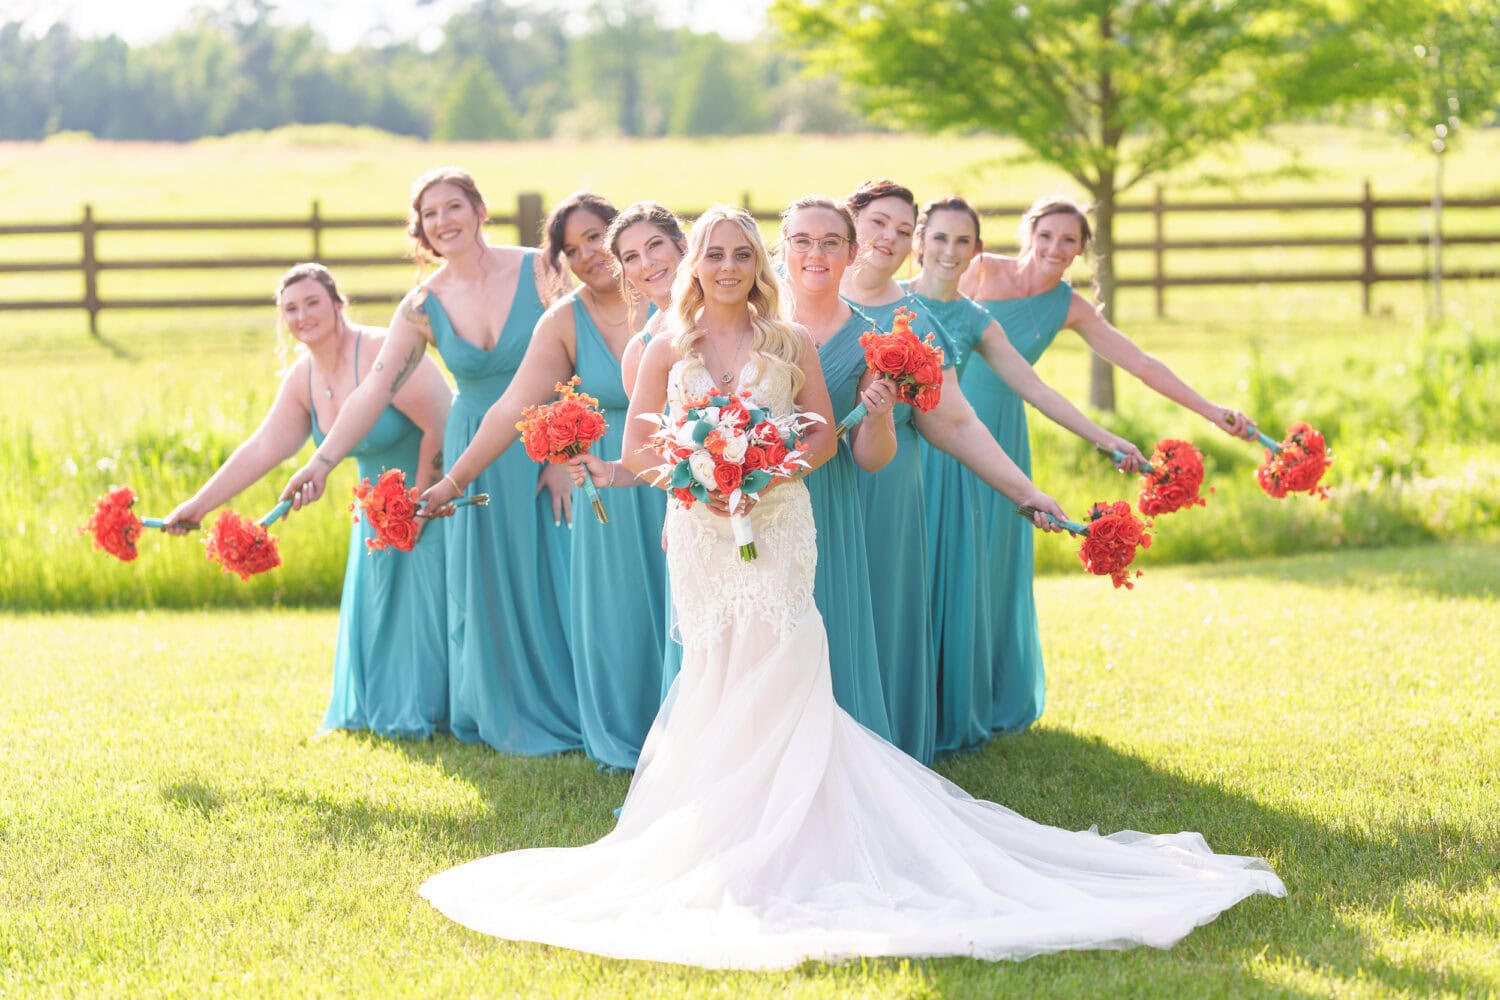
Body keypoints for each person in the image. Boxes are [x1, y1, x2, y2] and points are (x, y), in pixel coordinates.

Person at [416, 206, 1285, 969]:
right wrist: (619, 469)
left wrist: (757, 468)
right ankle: (719, 837)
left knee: (785, 666)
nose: (726, 268)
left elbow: (823, 442)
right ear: (695, 267)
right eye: (712, 255)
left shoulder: (785, 343)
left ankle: (799, 831)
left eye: (740, 255)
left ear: (760, 266)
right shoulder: (661, 348)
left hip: (784, 525)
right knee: (714, 672)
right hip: (700, 537)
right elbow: (643, 455)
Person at [281, 167, 581, 756]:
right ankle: (500, 705)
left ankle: (575, 700)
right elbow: (373, 390)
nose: (442, 221)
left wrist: (566, 452)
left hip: (547, 440)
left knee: (558, 571)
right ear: (420, 229)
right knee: (489, 583)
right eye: (429, 214)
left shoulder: (541, 270)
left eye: (453, 207)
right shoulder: (421, 305)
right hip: (473, 449)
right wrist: (322, 460)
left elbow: (579, 351)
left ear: (478, 209)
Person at [943, 195, 1255, 737]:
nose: (1054, 248)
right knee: (945, 552)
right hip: (949, 423)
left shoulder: (1068, 306)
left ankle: (980, 698)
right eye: (1047, 236)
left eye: (1069, 241)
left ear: (1084, 250)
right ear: (1028, 233)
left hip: (1006, 429)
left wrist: (1211, 410)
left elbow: (1139, 363)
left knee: (991, 564)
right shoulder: (978, 270)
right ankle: (935, 689)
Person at [421, 191, 670, 771]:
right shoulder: (563, 321)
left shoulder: (677, 301)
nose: (588, 255)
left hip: (681, 471)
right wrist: (453, 481)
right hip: (606, 481)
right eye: (571, 248)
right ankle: (633, 732)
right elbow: (511, 407)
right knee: (618, 613)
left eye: (597, 238)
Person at [840, 179, 1086, 762]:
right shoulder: (794, 290)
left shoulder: (918, 321)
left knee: (884, 616)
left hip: (887, 483)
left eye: (902, 229)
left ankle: (877, 753)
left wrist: (1026, 492)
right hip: (800, 489)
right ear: (853, 224)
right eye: (880, 223)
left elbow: (955, 423)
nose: (890, 238)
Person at [904, 194, 1148, 754]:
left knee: (963, 571)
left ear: (976, 249)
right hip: (892, 449)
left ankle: (954, 701)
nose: (949, 250)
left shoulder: (977, 320)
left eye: (962, 241)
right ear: (919, 242)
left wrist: (1105, 439)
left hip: (967, 447)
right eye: (939, 238)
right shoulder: (890, 300)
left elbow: (1036, 389)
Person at [166, 263, 450, 738]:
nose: (302, 315)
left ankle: (442, 709)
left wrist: (417, 509)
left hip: (433, 489)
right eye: (290, 308)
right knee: (381, 608)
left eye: (312, 302)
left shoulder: (383, 349)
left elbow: (441, 423)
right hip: (372, 510)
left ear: (339, 304)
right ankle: (382, 707)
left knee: (428, 605)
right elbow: (263, 448)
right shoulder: (304, 377)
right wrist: (199, 505)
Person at [776, 194, 895, 740]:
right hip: (759, 494)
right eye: (802, 241)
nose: (815, 253)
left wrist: (879, 417)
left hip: (829, 496)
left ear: (852, 252)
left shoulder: (875, 341)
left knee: (829, 625)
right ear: (783, 248)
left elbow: (873, 460)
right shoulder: (755, 324)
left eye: (829, 242)